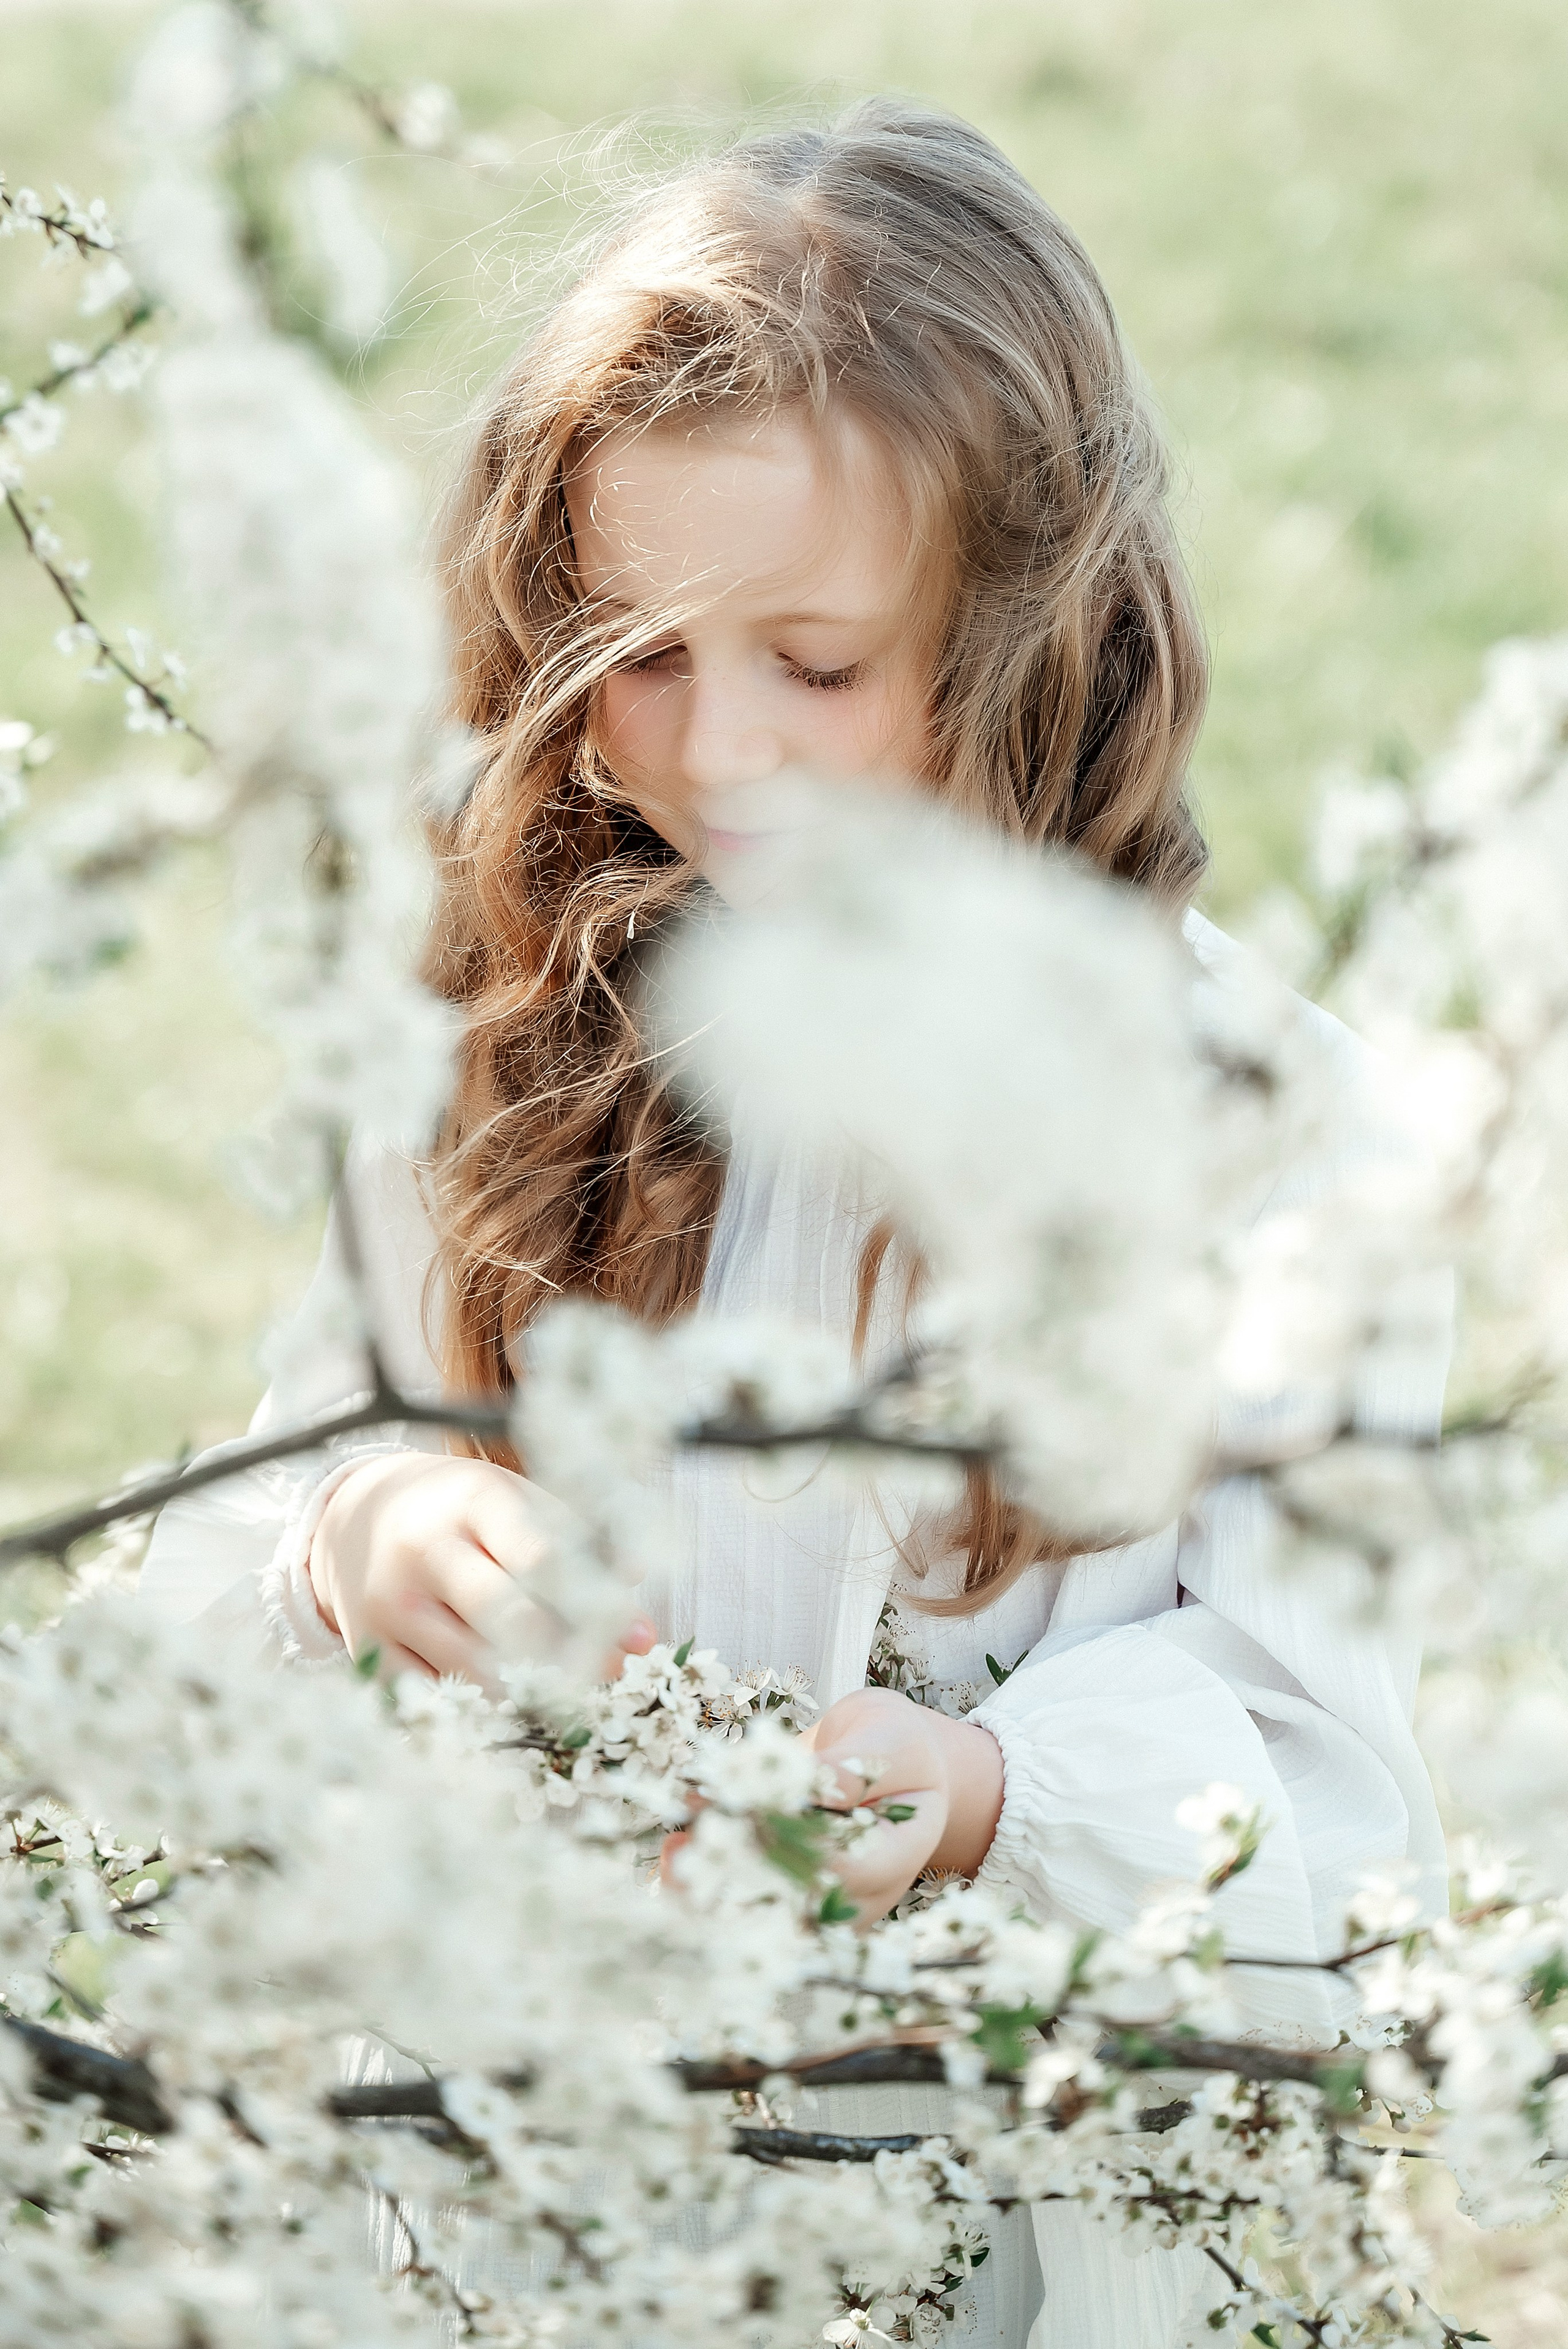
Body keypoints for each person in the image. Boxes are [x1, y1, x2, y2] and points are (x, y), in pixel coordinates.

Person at [140, 100, 1449, 2348]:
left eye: (816, 666)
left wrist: (988, 1794)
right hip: (525, 2187)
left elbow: (1344, 1789)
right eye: (639, 648)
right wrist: (362, 1531)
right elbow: (289, 1469)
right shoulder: (498, 1029)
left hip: (1001, 2207)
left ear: (1031, 632)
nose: (715, 745)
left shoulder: (1258, 1141)